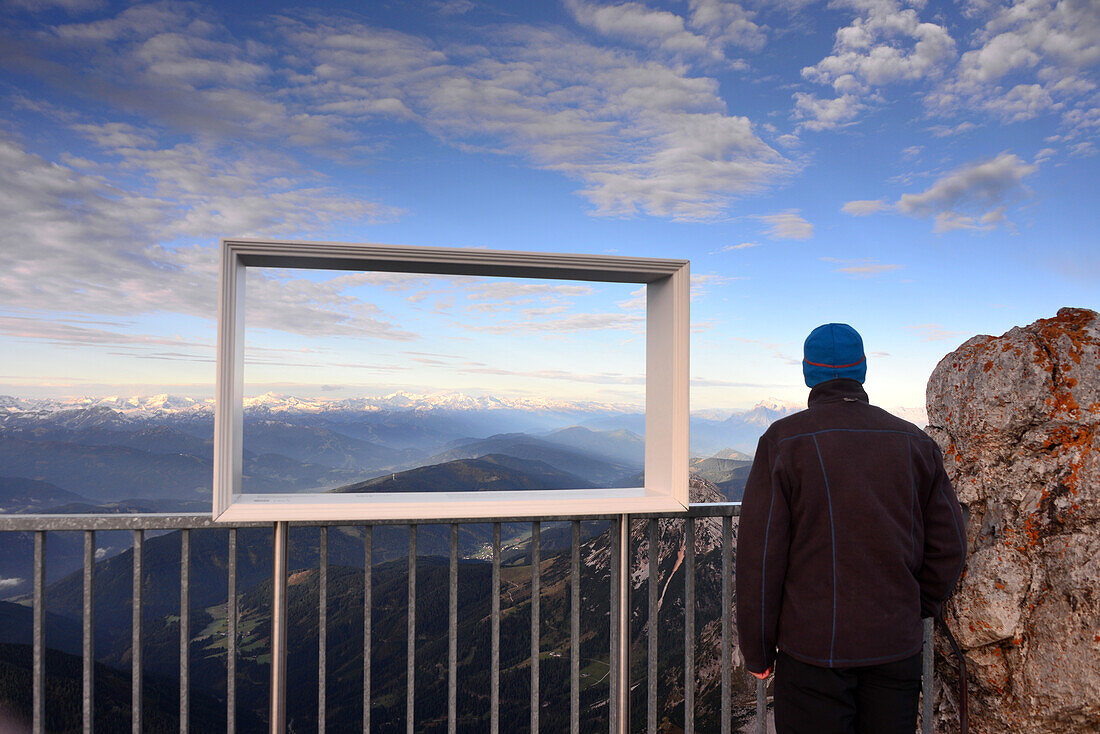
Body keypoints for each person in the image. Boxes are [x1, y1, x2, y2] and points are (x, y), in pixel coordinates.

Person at [734, 323, 966, 734]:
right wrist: (915, 607)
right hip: (895, 644)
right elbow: (948, 547)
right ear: (862, 370)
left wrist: (757, 650)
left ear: (808, 373)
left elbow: (760, 557)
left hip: (812, 651)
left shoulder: (782, 442)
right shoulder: (914, 442)